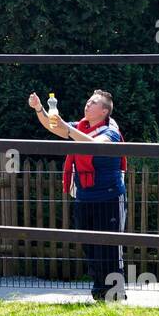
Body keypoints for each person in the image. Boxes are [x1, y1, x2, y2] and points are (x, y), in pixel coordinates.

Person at [29, 89, 126, 301]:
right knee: (90, 246)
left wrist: (67, 129)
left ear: (104, 111)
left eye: (93, 102)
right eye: (88, 100)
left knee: (109, 248)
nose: (87, 104)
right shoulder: (81, 127)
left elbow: (96, 147)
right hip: (84, 197)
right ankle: (100, 292)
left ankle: (115, 295)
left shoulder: (111, 130)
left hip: (108, 198)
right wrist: (39, 108)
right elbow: (52, 126)